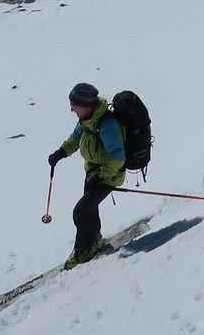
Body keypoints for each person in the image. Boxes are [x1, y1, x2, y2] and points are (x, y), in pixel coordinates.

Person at [47, 82, 126, 269]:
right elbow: (75, 139)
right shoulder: (86, 121)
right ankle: (94, 239)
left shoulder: (107, 124)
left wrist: (102, 175)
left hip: (108, 176)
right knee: (90, 210)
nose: (71, 108)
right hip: (93, 173)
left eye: (74, 105)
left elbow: (117, 157)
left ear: (86, 105)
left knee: (81, 212)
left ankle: (82, 250)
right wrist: (61, 152)